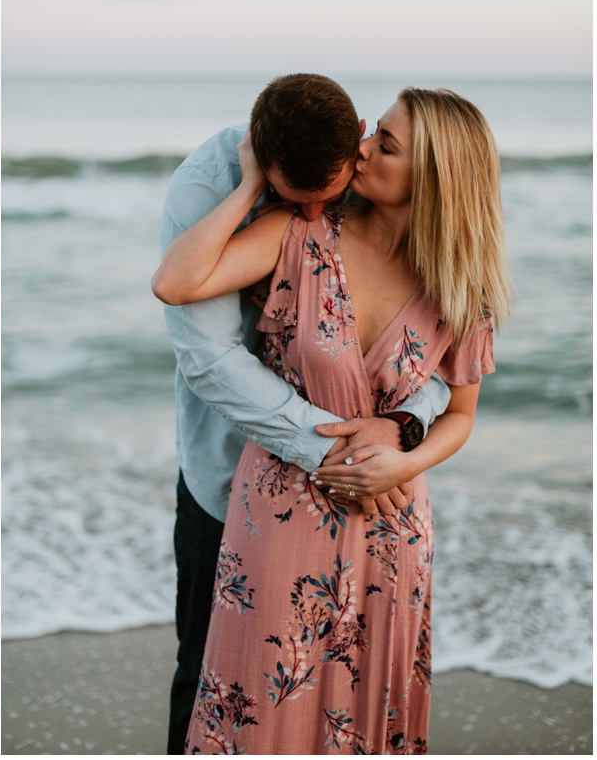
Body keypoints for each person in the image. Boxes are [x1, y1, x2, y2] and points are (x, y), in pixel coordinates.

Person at [154, 84, 511, 753]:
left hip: (391, 517)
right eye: (374, 133)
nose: (364, 149)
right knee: (250, 710)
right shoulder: (297, 232)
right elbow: (178, 292)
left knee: (365, 713)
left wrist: (404, 450)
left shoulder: (462, 282)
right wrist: (249, 184)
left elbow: (459, 410)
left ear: (432, 175)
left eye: (386, 141)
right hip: (272, 510)